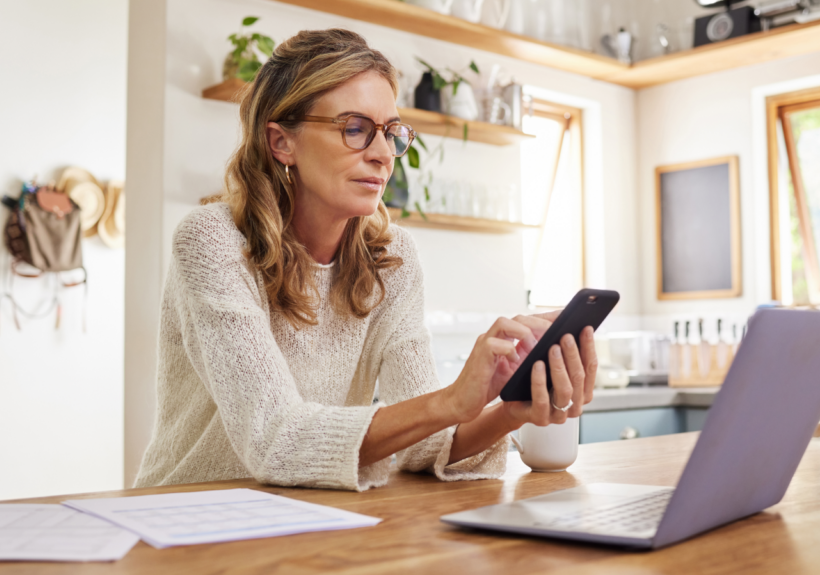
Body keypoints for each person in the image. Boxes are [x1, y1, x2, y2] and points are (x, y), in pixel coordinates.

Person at [134, 29, 598, 491]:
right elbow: (277, 440)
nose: (382, 155)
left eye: (391, 132)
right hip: (183, 517)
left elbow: (422, 445)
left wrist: (508, 410)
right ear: (281, 142)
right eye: (355, 129)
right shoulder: (213, 241)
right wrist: (454, 399)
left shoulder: (391, 258)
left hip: (304, 521)